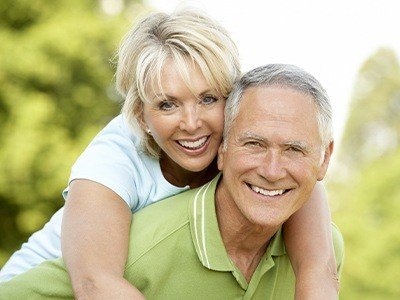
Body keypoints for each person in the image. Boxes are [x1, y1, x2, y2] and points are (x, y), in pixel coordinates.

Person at [0, 8, 338, 299]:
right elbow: (94, 285)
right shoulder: (112, 161)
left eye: (208, 99)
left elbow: (296, 191)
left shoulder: (247, 150)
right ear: (140, 116)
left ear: (234, 101)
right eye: (167, 104)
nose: (191, 124)